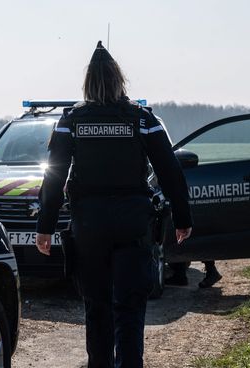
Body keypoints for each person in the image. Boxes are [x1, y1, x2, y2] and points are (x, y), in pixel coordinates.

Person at [35, 41, 193, 368]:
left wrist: (45, 227)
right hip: (132, 225)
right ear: (119, 80)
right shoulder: (142, 119)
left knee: (97, 309)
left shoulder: (72, 120)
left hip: (89, 227)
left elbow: (54, 176)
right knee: (130, 309)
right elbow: (170, 171)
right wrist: (182, 217)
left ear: (88, 82)